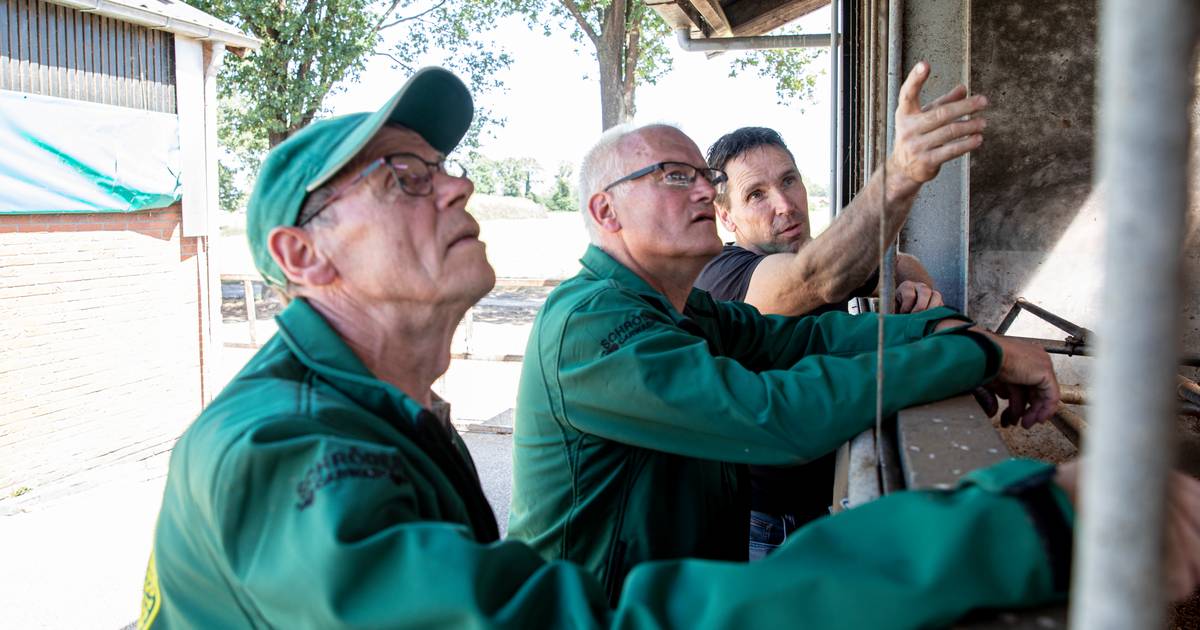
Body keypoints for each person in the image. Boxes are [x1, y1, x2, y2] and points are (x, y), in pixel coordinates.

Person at [139, 67, 1200, 629]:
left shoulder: (394, 402)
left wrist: (962, 336)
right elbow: (771, 413)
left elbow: (810, 335)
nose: (457, 183)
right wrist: (1018, 524)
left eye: (444, 167)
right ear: (302, 255)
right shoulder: (285, 453)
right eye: (405, 180)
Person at [693, 62, 977, 557]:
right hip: (765, 525)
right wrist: (903, 173)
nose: (785, 204)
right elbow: (815, 279)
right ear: (725, 216)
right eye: (755, 195)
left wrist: (915, 292)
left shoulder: (807, 257)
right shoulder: (723, 273)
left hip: (819, 504)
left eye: (790, 180)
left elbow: (898, 263)